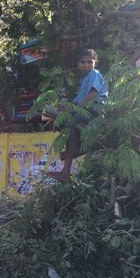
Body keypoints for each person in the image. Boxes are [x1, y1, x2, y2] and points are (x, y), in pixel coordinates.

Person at [48, 49, 108, 182]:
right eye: (83, 62)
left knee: (71, 126)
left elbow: (92, 95)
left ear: (95, 63)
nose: (86, 65)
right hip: (86, 109)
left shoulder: (94, 74)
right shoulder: (83, 80)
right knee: (62, 122)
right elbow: (76, 102)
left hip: (95, 109)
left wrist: (75, 109)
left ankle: (65, 170)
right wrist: (64, 108)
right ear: (78, 64)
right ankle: (70, 153)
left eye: (89, 62)